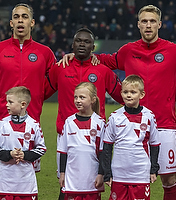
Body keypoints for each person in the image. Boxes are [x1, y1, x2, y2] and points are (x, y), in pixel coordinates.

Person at [60, 5, 176, 199]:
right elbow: (103, 59)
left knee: (169, 181)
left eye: (152, 21)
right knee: (127, 180)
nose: (148, 25)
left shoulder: (175, 50)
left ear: (159, 24)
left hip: (164, 125)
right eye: (144, 21)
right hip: (130, 125)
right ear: (138, 24)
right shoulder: (127, 50)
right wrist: (76, 57)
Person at [0, 3, 56, 200]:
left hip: (30, 125)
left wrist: (35, 97)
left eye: (25, 17)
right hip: (0, 123)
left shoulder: (45, 53)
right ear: (11, 23)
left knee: (26, 176)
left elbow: (55, 81)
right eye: (17, 17)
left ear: (32, 22)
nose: (21, 20)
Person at [46, 27, 123, 200]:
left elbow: (124, 97)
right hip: (67, 136)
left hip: (96, 136)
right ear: (72, 44)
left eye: (87, 41)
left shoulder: (103, 71)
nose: (82, 44)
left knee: (95, 182)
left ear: (93, 47)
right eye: (78, 41)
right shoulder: (60, 68)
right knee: (65, 183)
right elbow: (41, 93)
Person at [102, 74, 160, 200]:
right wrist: (107, 173)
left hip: (140, 173)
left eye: (133, 92)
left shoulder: (149, 116)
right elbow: (107, 146)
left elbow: (155, 144)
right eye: (125, 92)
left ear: (142, 94)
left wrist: (154, 169)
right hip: (119, 173)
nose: (128, 95)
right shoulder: (114, 117)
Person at [0, 86, 46, 200]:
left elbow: (41, 148)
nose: (6, 105)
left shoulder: (33, 125)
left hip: (26, 180)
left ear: (23, 104)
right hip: (6, 179)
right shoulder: (1, 124)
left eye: (10, 102)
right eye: (7, 102)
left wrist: (25, 155)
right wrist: (10, 154)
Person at [58, 82, 105, 199]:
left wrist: (101, 174)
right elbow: (63, 151)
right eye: (76, 97)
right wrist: (62, 173)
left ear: (93, 100)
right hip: (71, 178)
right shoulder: (69, 122)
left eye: (82, 97)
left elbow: (104, 152)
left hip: (92, 178)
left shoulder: (100, 123)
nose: (78, 100)